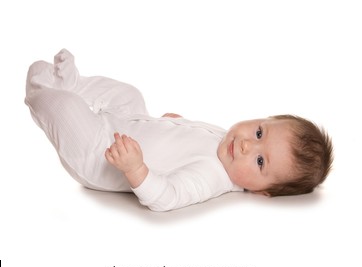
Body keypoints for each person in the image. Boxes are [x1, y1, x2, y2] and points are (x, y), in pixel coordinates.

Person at [25, 49, 333, 211]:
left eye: (260, 161)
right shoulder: (226, 140)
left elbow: (166, 197)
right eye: (260, 133)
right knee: (130, 95)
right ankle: (74, 86)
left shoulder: (212, 177)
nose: (246, 146)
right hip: (129, 123)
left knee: (66, 111)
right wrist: (172, 124)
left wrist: (136, 168)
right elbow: (186, 141)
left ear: (262, 192)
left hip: (100, 155)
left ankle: (41, 92)